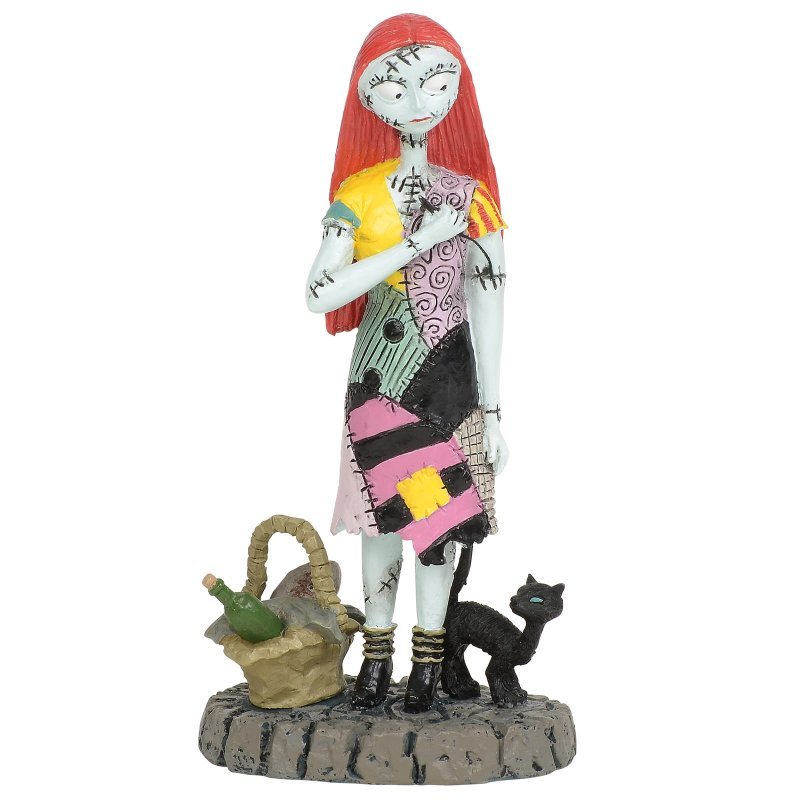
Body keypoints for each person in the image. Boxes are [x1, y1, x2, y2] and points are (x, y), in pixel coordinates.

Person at [305, 13, 509, 713]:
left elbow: (490, 301)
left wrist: (494, 410)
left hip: (449, 377)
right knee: (377, 520)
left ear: (458, 91)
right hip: (379, 376)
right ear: (369, 101)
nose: (419, 101)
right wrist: (416, 245)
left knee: (437, 524)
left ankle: (426, 662)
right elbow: (318, 291)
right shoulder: (360, 194)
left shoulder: (471, 196)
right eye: (396, 89)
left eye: (436, 83)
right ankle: (375, 656)